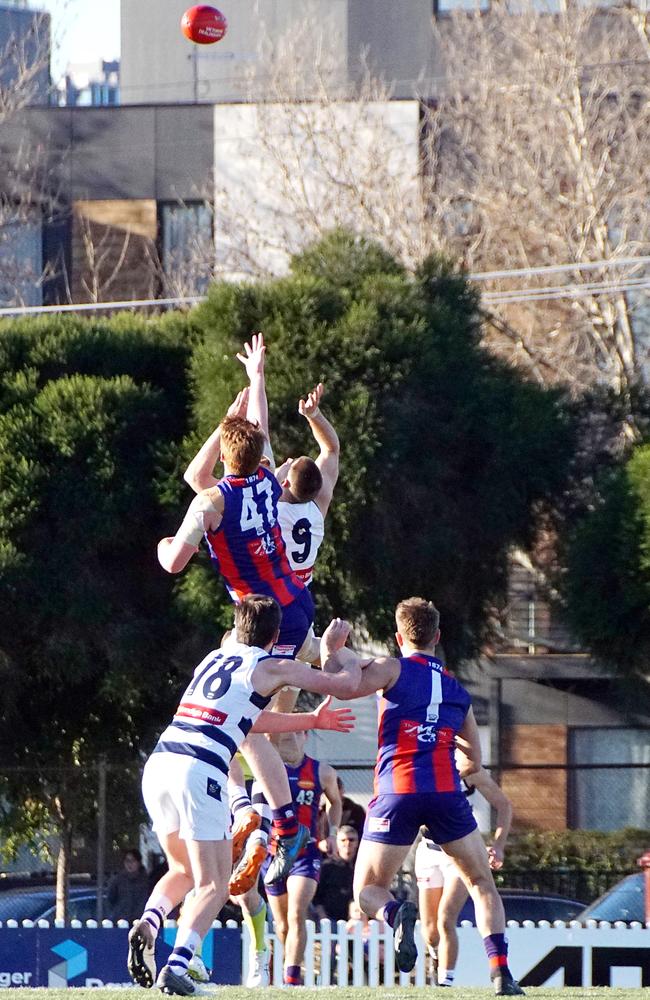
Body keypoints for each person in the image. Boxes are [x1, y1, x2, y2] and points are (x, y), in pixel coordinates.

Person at [126, 597, 360, 997]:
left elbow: (249, 721)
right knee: (215, 886)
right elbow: (346, 684)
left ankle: (149, 921)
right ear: (274, 636)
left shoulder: (213, 659)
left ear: (236, 628)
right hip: (199, 770)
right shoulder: (271, 666)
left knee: (182, 870)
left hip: (161, 763)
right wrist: (334, 651)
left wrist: (311, 720)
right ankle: (178, 967)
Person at [322, 596, 524, 997]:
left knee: (367, 893)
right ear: (438, 636)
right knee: (482, 882)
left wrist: (331, 651)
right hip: (447, 793)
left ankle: (397, 912)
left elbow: (341, 686)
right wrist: (443, 740)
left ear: (399, 637)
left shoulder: (389, 669)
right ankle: (501, 973)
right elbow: (474, 763)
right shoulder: (457, 692)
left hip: (397, 791)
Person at [415, 768, 513, 986]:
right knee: (430, 931)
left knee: (445, 918)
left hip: (459, 852)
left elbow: (504, 805)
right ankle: (436, 956)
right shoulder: (421, 762)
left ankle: (445, 982)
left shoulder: (468, 769)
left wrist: (498, 846)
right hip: (428, 851)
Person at [262, 730, 341, 987]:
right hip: (275, 854)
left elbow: (335, 802)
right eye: (285, 732)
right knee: (282, 924)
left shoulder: (322, 771)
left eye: (297, 732)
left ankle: (292, 979)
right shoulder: (269, 769)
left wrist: (333, 833)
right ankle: (288, 968)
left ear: (305, 736)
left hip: (305, 853)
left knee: (297, 914)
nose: (290, 737)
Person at [312, 825, 359, 923]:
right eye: (343, 840)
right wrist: (323, 918)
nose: (347, 843)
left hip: (357, 922)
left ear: (357, 842)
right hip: (330, 921)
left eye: (351, 840)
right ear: (337, 843)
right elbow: (317, 898)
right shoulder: (326, 867)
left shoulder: (361, 867)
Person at [107, 848, 150, 925]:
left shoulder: (146, 881)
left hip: (140, 920)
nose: (129, 864)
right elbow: (111, 898)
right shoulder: (118, 880)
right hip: (120, 921)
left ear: (139, 862)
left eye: (133, 861)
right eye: (127, 861)